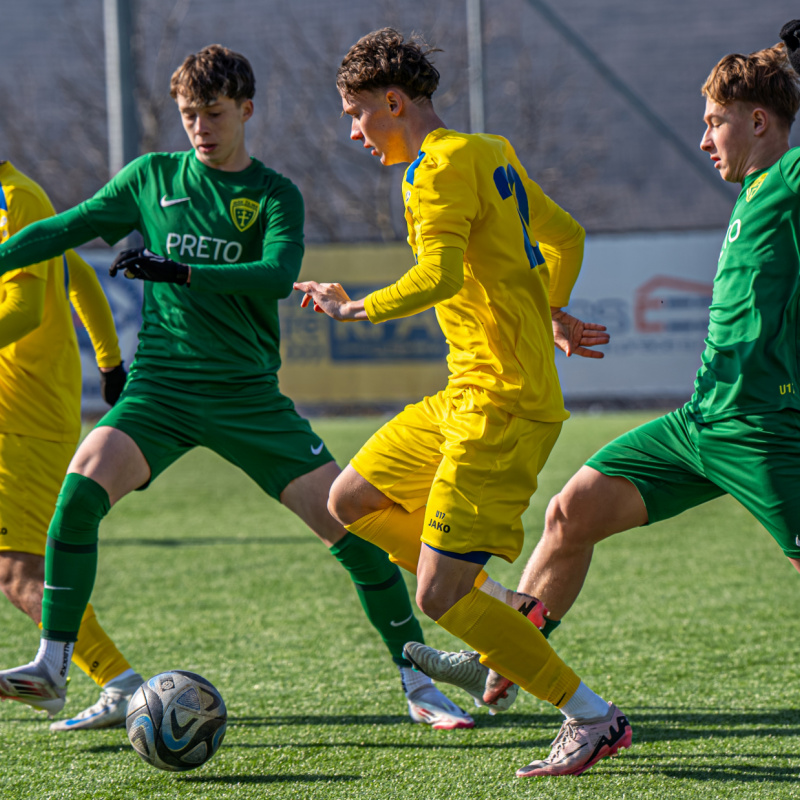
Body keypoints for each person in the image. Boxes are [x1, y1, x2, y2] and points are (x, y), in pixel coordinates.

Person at [0, 44, 470, 732]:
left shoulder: (273, 194)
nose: (200, 127)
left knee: (348, 529)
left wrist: (181, 272)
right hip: (160, 391)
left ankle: (417, 676)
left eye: (213, 113)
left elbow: (277, 275)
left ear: (246, 110)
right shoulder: (151, 178)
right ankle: (52, 663)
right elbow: (63, 230)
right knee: (79, 494)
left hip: (247, 397)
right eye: (189, 114)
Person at [424, 26, 800, 715]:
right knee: (570, 514)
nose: (703, 139)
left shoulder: (791, 181)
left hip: (760, 428)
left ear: (757, 121)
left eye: (714, 122)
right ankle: (496, 660)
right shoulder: (756, 191)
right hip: (699, 421)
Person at [294, 28, 631, 778]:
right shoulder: (488, 150)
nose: (353, 131)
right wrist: (550, 308)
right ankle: (504, 607)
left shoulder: (431, 171)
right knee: (349, 499)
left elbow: (441, 276)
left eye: (357, 113)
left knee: (438, 595)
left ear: (393, 101)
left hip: (500, 407)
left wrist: (355, 311)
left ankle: (593, 717)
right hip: (465, 394)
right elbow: (565, 236)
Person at [0, 160, 143, 730]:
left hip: (20, 416)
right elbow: (77, 277)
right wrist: (109, 362)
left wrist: (112, 363)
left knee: (17, 570)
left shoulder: (15, 199)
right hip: (23, 412)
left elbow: (27, 308)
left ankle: (117, 681)